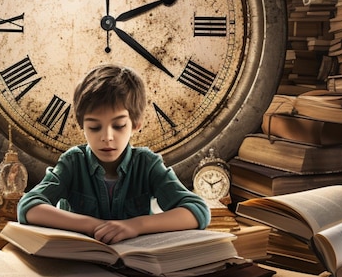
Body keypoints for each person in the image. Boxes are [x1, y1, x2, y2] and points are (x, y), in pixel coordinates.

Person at [17, 64, 210, 244]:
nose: (107, 137)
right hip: (82, 266)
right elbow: (28, 207)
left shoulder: (147, 164)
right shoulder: (73, 162)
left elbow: (198, 211)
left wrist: (135, 226)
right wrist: (92, 226)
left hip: (137, 265)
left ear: (136, 125)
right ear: (82, 126)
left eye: (118, 126)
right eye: (94, 127)